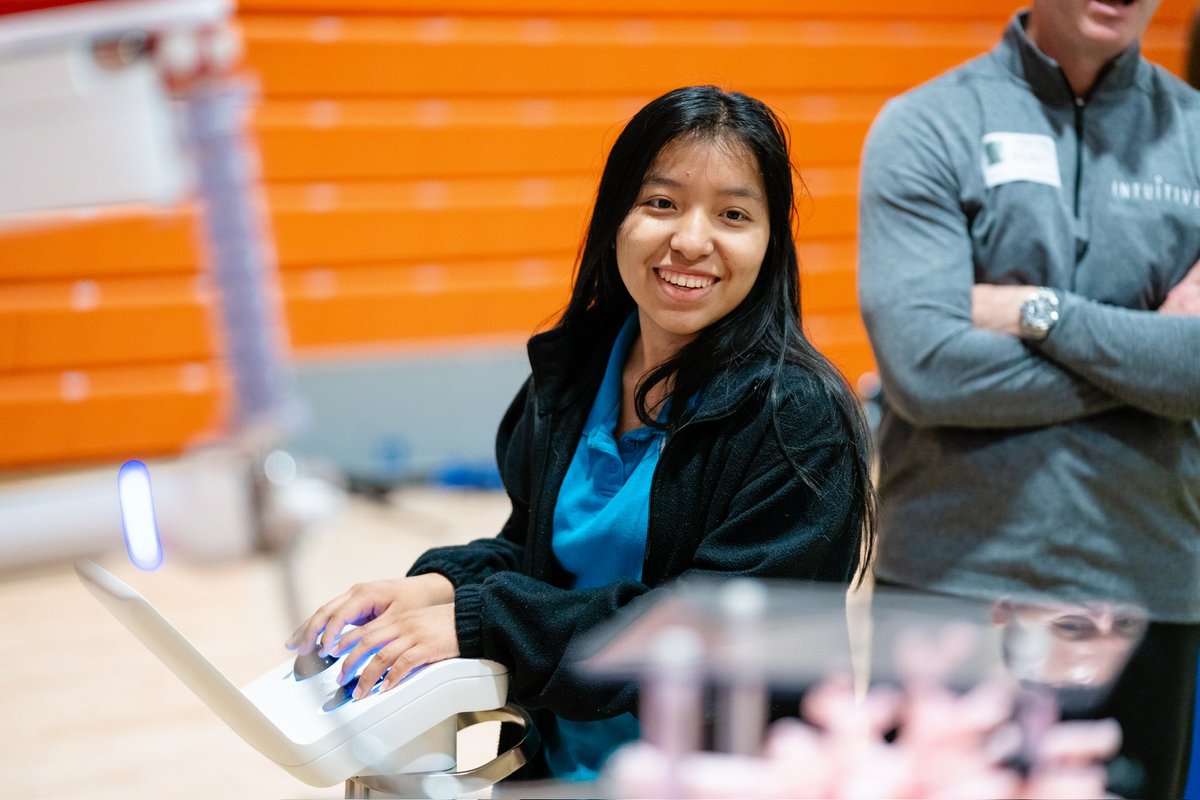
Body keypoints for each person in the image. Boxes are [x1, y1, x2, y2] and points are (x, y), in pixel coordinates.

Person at [288, 85, 877, 781]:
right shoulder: (575, 372)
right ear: (615, 218)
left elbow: (717, 633)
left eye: (733, 214)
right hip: (563, 768)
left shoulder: (797, 419)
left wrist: (483, 621)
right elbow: (536, 556)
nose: (690, 240)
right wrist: (440, 587)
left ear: (770, 240)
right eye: (660, 203)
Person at [857, 1, 1200, 796]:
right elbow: (929, 369)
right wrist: (1147, 362)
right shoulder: (927, 126)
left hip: (1147, 587)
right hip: (953, 587)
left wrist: (1031, 311)